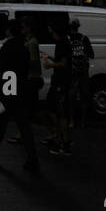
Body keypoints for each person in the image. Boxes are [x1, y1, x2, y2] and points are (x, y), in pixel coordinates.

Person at [0, 20, 39, 175]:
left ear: (9, 31)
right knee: (23, 126)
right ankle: (32, 159)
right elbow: (25, 71)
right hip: (19, 92)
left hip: (6, 91)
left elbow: (0, 73)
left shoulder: (6, 48)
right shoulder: (24, 48)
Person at [42, 16, 72, 156]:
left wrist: (49, 64)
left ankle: (62, 142)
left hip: (60, 82)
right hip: (60, 81)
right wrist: (50, 58)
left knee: (59, 112)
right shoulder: (63, 41)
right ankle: (61, 139)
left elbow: (63, 64)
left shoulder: (62, 42)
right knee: (55, 110)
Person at [68, 19, 94, 130]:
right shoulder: (84, 39)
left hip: (72, 72)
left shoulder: (67, 39)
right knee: (84, 97)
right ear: (78, 27)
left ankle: (71, 121)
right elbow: (91, 54)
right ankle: (83, 122)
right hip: (83, 72)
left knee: (70, 98)